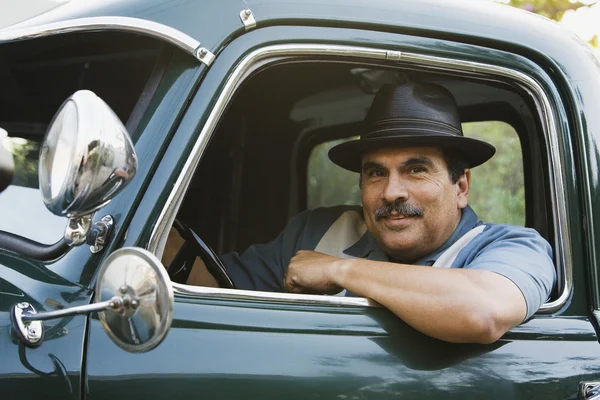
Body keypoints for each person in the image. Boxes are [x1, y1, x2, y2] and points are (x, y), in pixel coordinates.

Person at [176, 82, 556, 344]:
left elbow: (482, 311)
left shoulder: (513, 248)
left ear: (461, 186)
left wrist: (338, 269)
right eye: (376, 173)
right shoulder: (319, 230)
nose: (391, 192)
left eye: (416, 169)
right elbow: (211, 291)